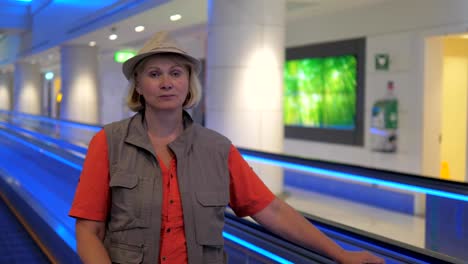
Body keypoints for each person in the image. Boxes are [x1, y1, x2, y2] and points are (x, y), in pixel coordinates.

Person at [69, 31, 384, 264]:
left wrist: (341, 254)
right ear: (138, 85)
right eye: (154, 74)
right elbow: (88, 231)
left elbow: (271, 209)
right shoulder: (108, 142)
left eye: (176, 73)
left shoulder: (217, 149)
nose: (166, 82)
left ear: (188, 83)